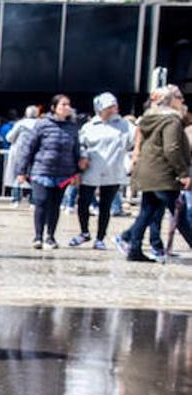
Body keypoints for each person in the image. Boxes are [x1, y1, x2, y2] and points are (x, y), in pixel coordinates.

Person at [118, 85, 192, 262]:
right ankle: (129, 242)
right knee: (178, 213)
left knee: (147, 211)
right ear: (171, 101)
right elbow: (172, 148)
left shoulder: (148, 119)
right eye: (179, 98)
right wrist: (183, 172)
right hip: (163, 174)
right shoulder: (171, 121)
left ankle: (133, 247)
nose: (182, 102)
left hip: (147, 172)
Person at [15, 94, 85, 250]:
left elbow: (76, 150)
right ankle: (38, 236)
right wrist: (21, 170)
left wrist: (77, 172)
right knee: (41, 201)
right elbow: (29, 147)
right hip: (41, 170)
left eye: (68, 105)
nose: (67, 108)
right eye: (63, 105)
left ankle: (50, 236)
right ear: (54, 107)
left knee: (55, 205)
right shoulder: (42, 124)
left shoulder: (72, 127)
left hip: (63, 172)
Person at [72, 92, 132, 250]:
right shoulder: (89, 126)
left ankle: (100, 237)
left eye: (115, 105)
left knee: (106, 205)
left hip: (113, 169)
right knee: (83, 201)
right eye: (110, 106)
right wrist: (83, 157)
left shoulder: (125, 125)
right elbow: (81, 144)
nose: (114, 108)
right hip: (91, 169)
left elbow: (135, 139)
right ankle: (84, 231)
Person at [5, 105, 40, 207]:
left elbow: (10, 138)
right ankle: (33, 201)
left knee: (17, 175)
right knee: (34, 177)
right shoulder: (40, 124)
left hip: (19, 152)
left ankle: (16, 199)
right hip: (34, 153)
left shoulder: (20, 124)